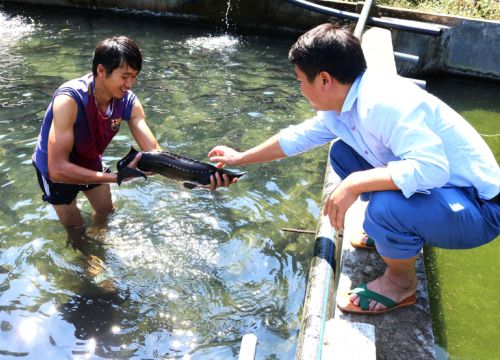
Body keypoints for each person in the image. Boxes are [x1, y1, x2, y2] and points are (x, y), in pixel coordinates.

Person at [207, 23, 500, 315]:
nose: (299, 88)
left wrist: (355, 183)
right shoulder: (343, 104)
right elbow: (295, 138)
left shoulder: (382, 104)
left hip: (479, 208)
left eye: (299, 80)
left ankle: (401, 282)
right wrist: (240, 157)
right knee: (343, 153)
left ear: (324, 80)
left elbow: (432, 170)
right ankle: (389, 234)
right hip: (444, 192)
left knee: (385, 207)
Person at [33, 36, 230, 242]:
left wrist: (200, 179)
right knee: (77, 232)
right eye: (125, 76)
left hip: (90, 161)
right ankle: (86, 258)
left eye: (134, 77)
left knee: (106, 214)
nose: (130, 85)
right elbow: (58, 170)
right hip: (55, 173)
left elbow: (157, 156)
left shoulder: (128, 102)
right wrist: (118, 177)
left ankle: (101, 245)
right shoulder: (69, 100)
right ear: (101, 71)